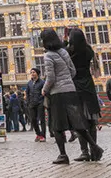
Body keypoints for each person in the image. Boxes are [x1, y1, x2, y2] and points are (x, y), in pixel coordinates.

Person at [40, 28, 98, 164]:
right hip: (87, 85)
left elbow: (53, 75)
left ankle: (82, 152)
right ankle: (94, 148)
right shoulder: (88, 50)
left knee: (69, 122)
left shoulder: (67, 51)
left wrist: (46, 89)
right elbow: (70, 68)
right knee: (87, 121)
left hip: (72, 87)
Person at [25, 68, 46, 141]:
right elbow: (27, 93)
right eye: (31, 72)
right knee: (33, 119)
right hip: (31, 103)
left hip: (40, 103)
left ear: (37, 73)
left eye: (33, 72)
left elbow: (45, 92)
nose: (32, 73)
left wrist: (41, 99)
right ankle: (38, 134)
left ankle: (43, 136)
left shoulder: (42, 82)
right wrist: (28, 101)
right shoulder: (29, 83)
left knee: (42, 119)